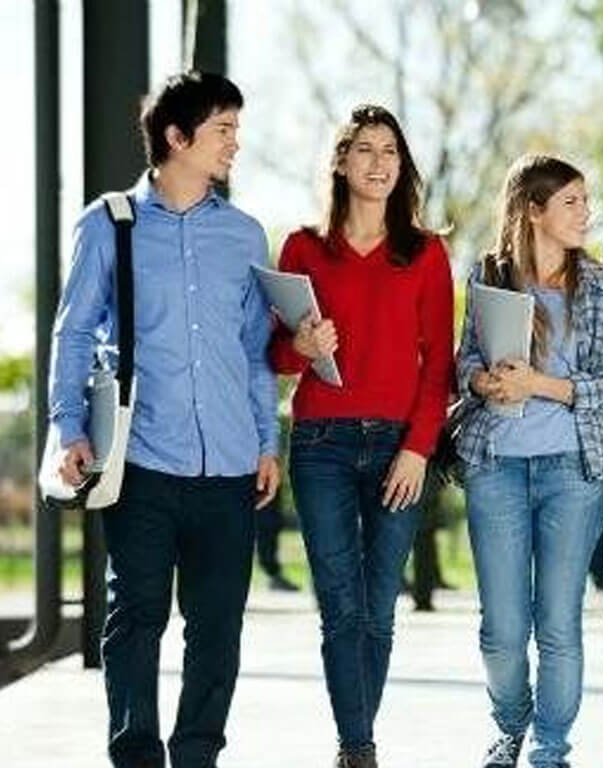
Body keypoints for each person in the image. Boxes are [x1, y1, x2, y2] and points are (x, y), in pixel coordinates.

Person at [49, 71, 280, 768]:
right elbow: (73, 330)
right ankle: (137, 756)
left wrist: (269, 439)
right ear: (177, 138)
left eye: (236, 129)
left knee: (217, 629)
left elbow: (253, 350)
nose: (235, 144)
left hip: (231, 464)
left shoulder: (244, 236)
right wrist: (69, 428)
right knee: (135, 620)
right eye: (223, 130)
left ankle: (197, 756)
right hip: (142, 459)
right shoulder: (108, 224)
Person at [269, 104, 453, 768]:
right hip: (321, 443)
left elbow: (441, 366)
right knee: (341, 607)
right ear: (341, 162)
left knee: (379, 606)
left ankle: (355, 742)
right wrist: (302, 342)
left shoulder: (427, 252)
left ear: (401, 166)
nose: (379, 163)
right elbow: (278, 359)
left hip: (400, 448)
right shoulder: (303, 248)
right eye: (366, 150)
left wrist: (417, 448)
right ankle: (358, 748)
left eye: (391, 152)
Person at [456, 155, 603, 767]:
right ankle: (510, 725)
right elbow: (465, 361)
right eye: (573, 202)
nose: (587, 213)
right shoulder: (489, 274)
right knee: (501, 629)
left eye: (587, 201)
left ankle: (550, 751)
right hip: (495, 465)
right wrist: (483, 384)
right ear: (534, 209)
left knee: (558, 624)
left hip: (571, 472)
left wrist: (539, 385)